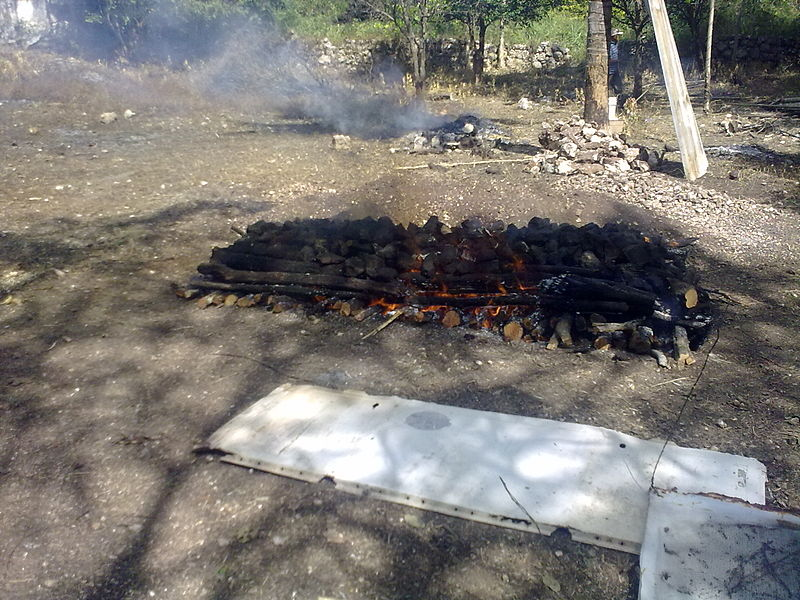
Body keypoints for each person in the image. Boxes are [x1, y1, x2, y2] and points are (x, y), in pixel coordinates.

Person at [609, 28, 623, 96]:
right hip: (610, 69)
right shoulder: (609, 45)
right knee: (609, 83)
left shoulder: (616, 43)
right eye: (616, 35)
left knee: (618, 84)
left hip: (616, 68)